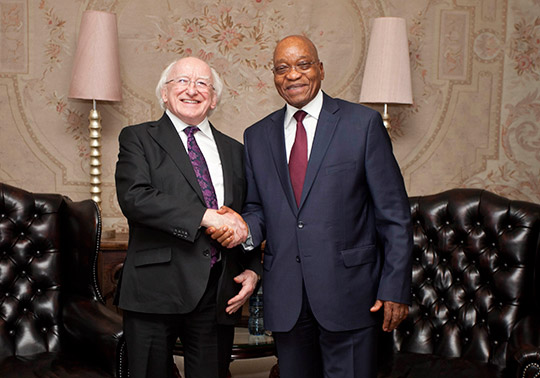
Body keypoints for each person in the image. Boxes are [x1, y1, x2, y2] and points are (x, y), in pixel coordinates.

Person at [210, 35, 413, 378]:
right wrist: (243, 228)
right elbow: (259, 209)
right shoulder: (257, 135)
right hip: (287, 296)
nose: (292, 75)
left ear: (320, 70)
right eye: (281, 68)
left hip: (350, 293)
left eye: (303, 65)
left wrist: (394, 287)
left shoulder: (362, 125)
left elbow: (394, 215)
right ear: (273, 77)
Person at [114, 57, 261, 378]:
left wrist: (252, 269)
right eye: (181, 81)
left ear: (214, 99)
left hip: (217, 292)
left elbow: (249, 213)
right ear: (164, 94)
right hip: (154, 292)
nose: (191, 90)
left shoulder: (236, 150)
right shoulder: (138, 138)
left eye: (202, 83)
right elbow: (135, 198)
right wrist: (207, 217)